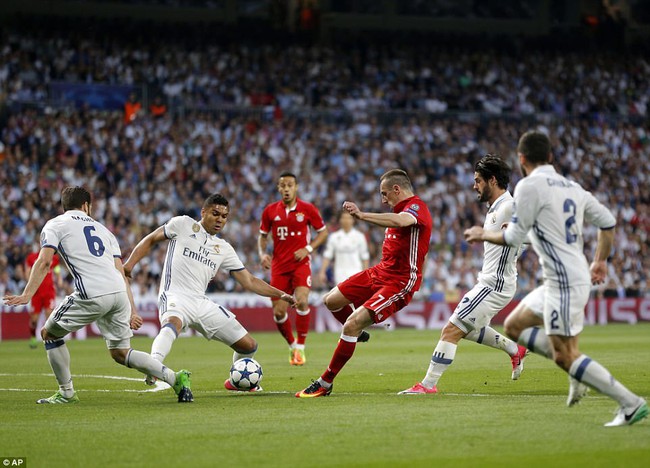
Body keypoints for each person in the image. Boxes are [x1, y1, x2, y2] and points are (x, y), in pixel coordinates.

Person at [464, 131, 648, 427]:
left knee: (565, 355)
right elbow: (608, 222)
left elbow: (513, 237)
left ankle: (631, 403)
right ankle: (579, 372)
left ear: (522, 159)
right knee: (513, 325)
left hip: (564, 281)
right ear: (550, 157)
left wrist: (482, 233)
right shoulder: (573, 187)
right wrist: (600, 261)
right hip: (562, 277)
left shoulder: (528, 186)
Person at [3, 186, 193, 404]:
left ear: (65, 205)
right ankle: (175, 378)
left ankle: (66, 393)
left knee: (49, 333)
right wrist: (132, 309)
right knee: (122, 352)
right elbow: (121, 273)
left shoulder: (55, 224)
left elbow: (45, 260)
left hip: (91, 292)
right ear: (86, 206)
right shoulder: (105, 231)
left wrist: (27, 294)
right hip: (118, 293)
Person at [124, 193, 296, 392]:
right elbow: (151, 239)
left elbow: (249, 281)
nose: (220, 220)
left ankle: (235, 381)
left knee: (248, 346)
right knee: (173, 323)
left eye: (224, 216)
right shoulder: (182, 224)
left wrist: (281, 294)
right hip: (175, 295)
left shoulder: (223, 248)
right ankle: (154, 366)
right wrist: (129, 264)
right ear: (203, 212)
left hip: (201, 302)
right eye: (215, 214)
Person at [296, 169, 432, 398]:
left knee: (350, 324)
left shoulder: (416, 208)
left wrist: (361, 215)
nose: (383, 199)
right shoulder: (397, 211)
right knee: (330, 300)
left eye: (385, 193)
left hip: (399, 281)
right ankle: (356, 335)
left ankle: (325, 382)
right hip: (379, 272)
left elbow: (402, 221)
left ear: (397, 189)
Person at [400, 155, 528, 395]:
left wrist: (502, 240)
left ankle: (427, 385)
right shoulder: (497, 208)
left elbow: (531, 233)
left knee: (451, 330)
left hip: (495, 285)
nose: (474, 186)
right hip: (493, 281)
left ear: (492, 180)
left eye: (478, 180)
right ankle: (514, 349)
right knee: (467, 328)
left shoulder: (510, 206)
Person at [258, 172, 328, 366]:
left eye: (290, 185)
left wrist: (308, 249)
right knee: (279, 312)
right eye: (283, 185)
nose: (286, 189)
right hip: (279, 267)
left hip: (300, 265)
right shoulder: (270, 211)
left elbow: (323, 233)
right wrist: (262, 254)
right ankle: (292, 345)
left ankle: (301, 348)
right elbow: (262, 236)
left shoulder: (307, 209)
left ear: (296, 187)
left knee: (302, 302)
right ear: (279, 188)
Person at [318, 210, 370, 288]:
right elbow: (327, 256)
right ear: (340, 220)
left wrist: (365, 275)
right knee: (341, 298)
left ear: (353, 220)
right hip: (340, 273)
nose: (346, 220)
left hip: (356, 272)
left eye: (349, 218)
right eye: (344, 218)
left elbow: (365, 257)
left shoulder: (359, 236)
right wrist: (322, 272)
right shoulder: (334, 237)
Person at [25, 244, 62, 348]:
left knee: (49, 317)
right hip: (36, 293)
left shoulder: (54, 258)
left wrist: (59, 279)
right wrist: (30, 284)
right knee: (34, 320)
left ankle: (50, 340)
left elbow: (57, 269)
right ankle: (33, 338)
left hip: (49, 292)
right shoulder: (32, 257)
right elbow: (28, 272)